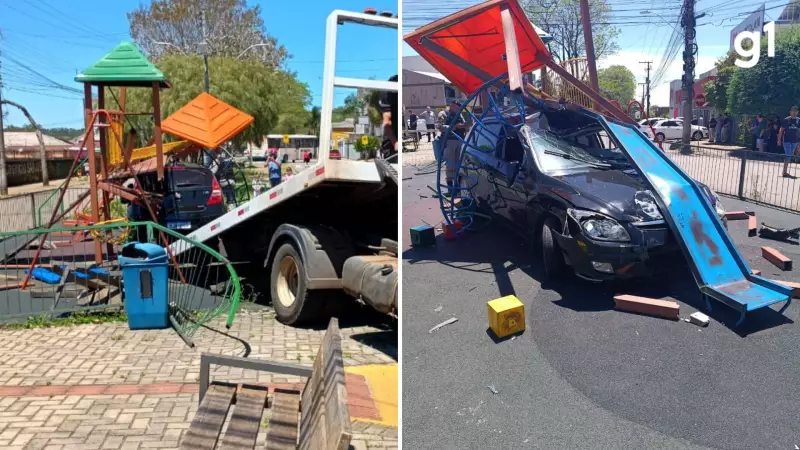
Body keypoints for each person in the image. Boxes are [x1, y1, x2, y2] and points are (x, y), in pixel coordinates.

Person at [442, 101, 469, 195]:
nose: (458, 109)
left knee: (459, 164)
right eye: (457, 108)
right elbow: (440, 126)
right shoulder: (444, 114)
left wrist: (465, 126)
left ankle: (458, 188)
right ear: (452, 106)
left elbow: (465, 125)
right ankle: (450, 188)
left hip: (460, 140)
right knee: (450, 165)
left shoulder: (460, 115)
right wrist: (455, 127)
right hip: (450, 141)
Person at [778, 105, 800, 177]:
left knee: (790, 156)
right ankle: (784, 172)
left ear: (797, 112)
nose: (794, 113)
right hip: (787, 141)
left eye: (795, 111)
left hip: (795, 141)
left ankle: (785, 171)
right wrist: (779, 140)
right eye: (792, 111)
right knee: (788, 155)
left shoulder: (798, 120)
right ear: (790, 112)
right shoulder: (786, 120)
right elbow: (781, 130)